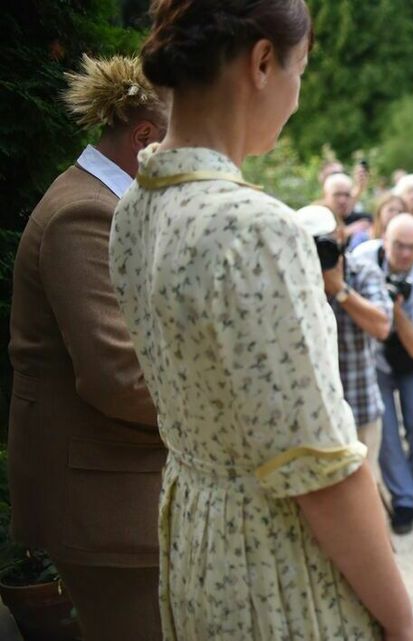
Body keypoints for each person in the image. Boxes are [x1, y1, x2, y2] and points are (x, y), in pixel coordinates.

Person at [112, 1, 413, 638]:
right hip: (273, 563)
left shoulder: (134, 209)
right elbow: (320, 470)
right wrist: (404, 623)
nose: (297, 96)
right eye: (298, 70)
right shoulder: (254, 230)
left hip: (196, 540)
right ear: (261, 62)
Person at [8, 53, 167, 641]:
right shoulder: (86, 213)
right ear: (145, 138)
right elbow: (118, 377)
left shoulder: (106, 203)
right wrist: (226, 416)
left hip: (116, 488)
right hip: (107, 501)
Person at [352, 214, 413, 534]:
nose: (405, 254)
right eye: (399, 246)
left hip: (412, 357)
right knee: (386, 431)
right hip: (372, 358)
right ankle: (403, 498)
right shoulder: (362, 259)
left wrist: (395, 309)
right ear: (383, 239)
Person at [297, 205, 393, 487]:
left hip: (359, 405)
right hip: (312, 416)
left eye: (324, 240)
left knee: (366, 491)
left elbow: (382, 327)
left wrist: (339, 289)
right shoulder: (292, 279)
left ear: (339, 235)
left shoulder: (362, 272)